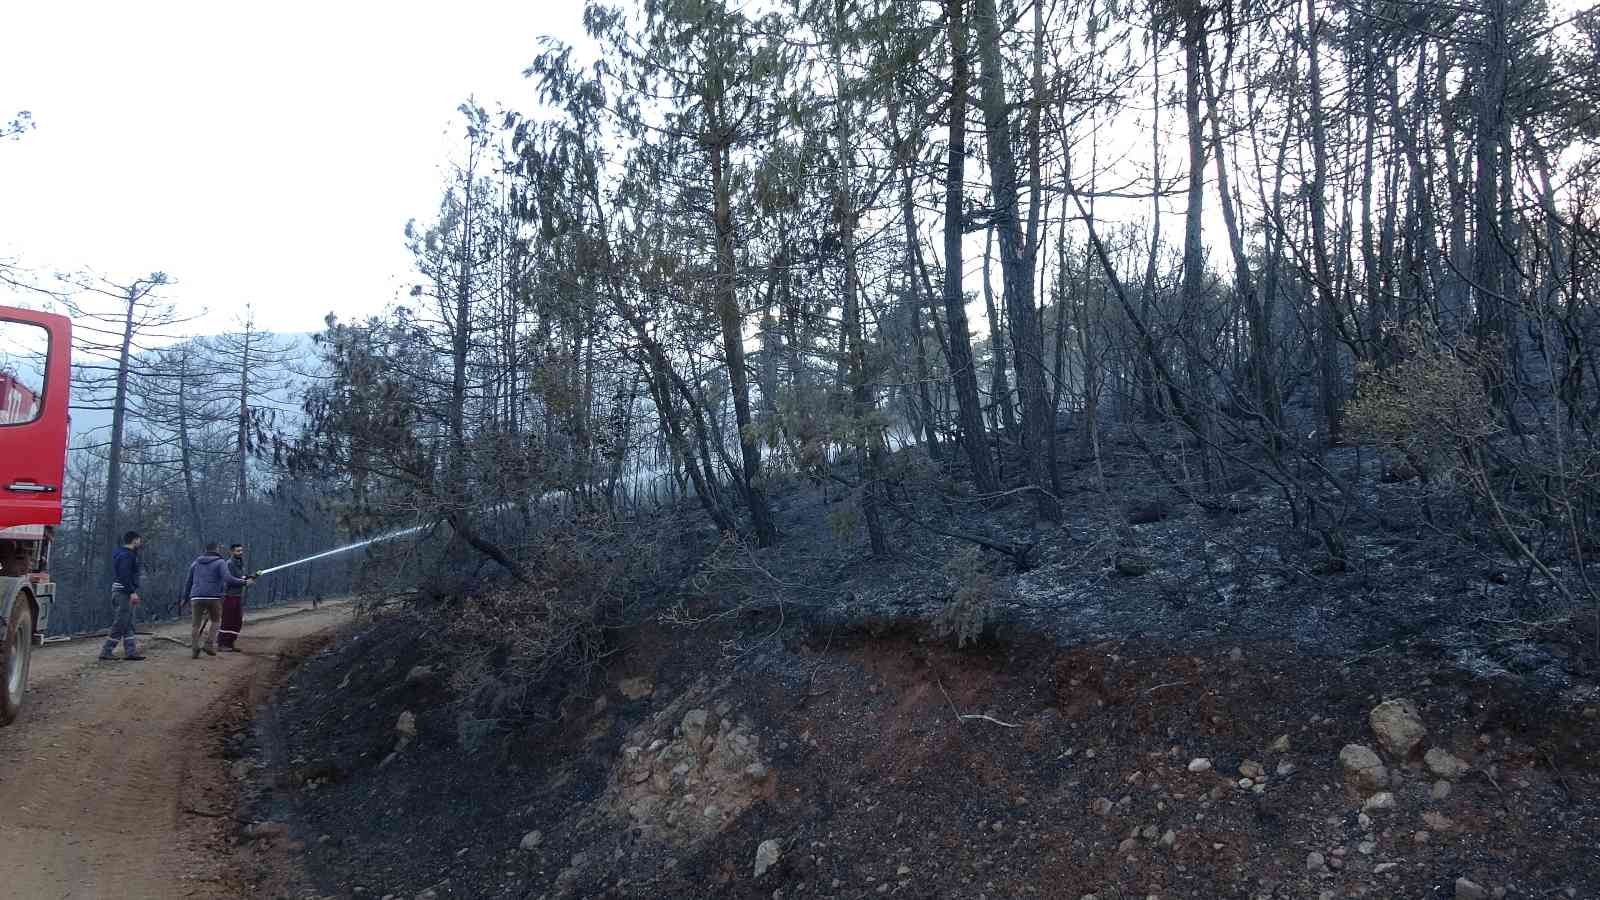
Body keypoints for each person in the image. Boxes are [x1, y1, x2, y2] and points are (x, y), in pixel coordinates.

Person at [182, 543, 251, 659]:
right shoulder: (220, 562)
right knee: (215, 621)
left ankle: (195, 649)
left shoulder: (195, 563)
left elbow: (188, 581)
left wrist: (185, 598)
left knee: (195, 625)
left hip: (196, 597)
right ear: (217, 550)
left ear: (206, 550)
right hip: (213, 597)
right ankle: (208, 644)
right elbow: (228, 579)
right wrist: (244, 582)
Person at [99, 531, 146, 661]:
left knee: (128, 622)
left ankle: (131, 652)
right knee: (121, 622)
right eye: (139, 540)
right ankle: (106, 650)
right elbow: (124, 575)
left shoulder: (124, 554)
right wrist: (132, 592)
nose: (140, 543)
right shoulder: (127, 556)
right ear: (134, 540)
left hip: (122, 591)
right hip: (123, 593)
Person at [217, 543, 247, 652]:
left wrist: (248, 578)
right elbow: (229, 580)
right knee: (227, 620)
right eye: (238, 551)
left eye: (241, 550)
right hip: (229, 596)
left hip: (238, 596)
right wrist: (244, 582)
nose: (240, 553)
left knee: (237, 620)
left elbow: (239, 578)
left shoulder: (240, 563)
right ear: (232, 552)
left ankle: (230, 643)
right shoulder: (229, 564)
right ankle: (222, 644)